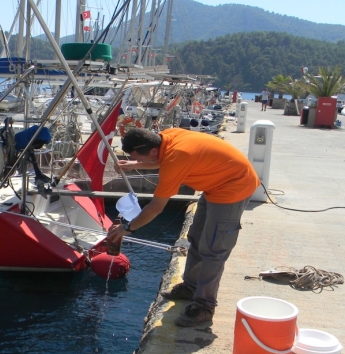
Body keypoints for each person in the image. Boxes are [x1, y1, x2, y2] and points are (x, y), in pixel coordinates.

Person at [108, 127, 259, 327]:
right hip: (214, 184)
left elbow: (155, 208)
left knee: (214, 249)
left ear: (152, 150)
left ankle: (205, 306)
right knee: (196, 237)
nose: (138, 161)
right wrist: (136, 164)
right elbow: (163, 159)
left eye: (138, 156)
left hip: (234, 187)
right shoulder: (167, 137)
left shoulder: (176, 158)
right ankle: (191, 286)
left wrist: (126, 228)